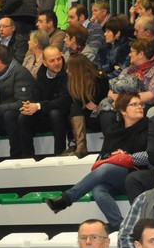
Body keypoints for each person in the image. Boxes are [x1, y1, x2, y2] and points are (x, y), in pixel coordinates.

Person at [46, 93, 148, 231]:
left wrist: (126, 156)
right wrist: (113, 156)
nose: (139, 107)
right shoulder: (114, 131)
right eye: (134, 104)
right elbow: (103, 156)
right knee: (98, 189)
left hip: (138, 173)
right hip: (116, 176)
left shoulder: (149, 127)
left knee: (106, 168)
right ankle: (120, 227)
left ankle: (66, 199)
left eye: (140, 104)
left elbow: (150, 155)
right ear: (123, 111)